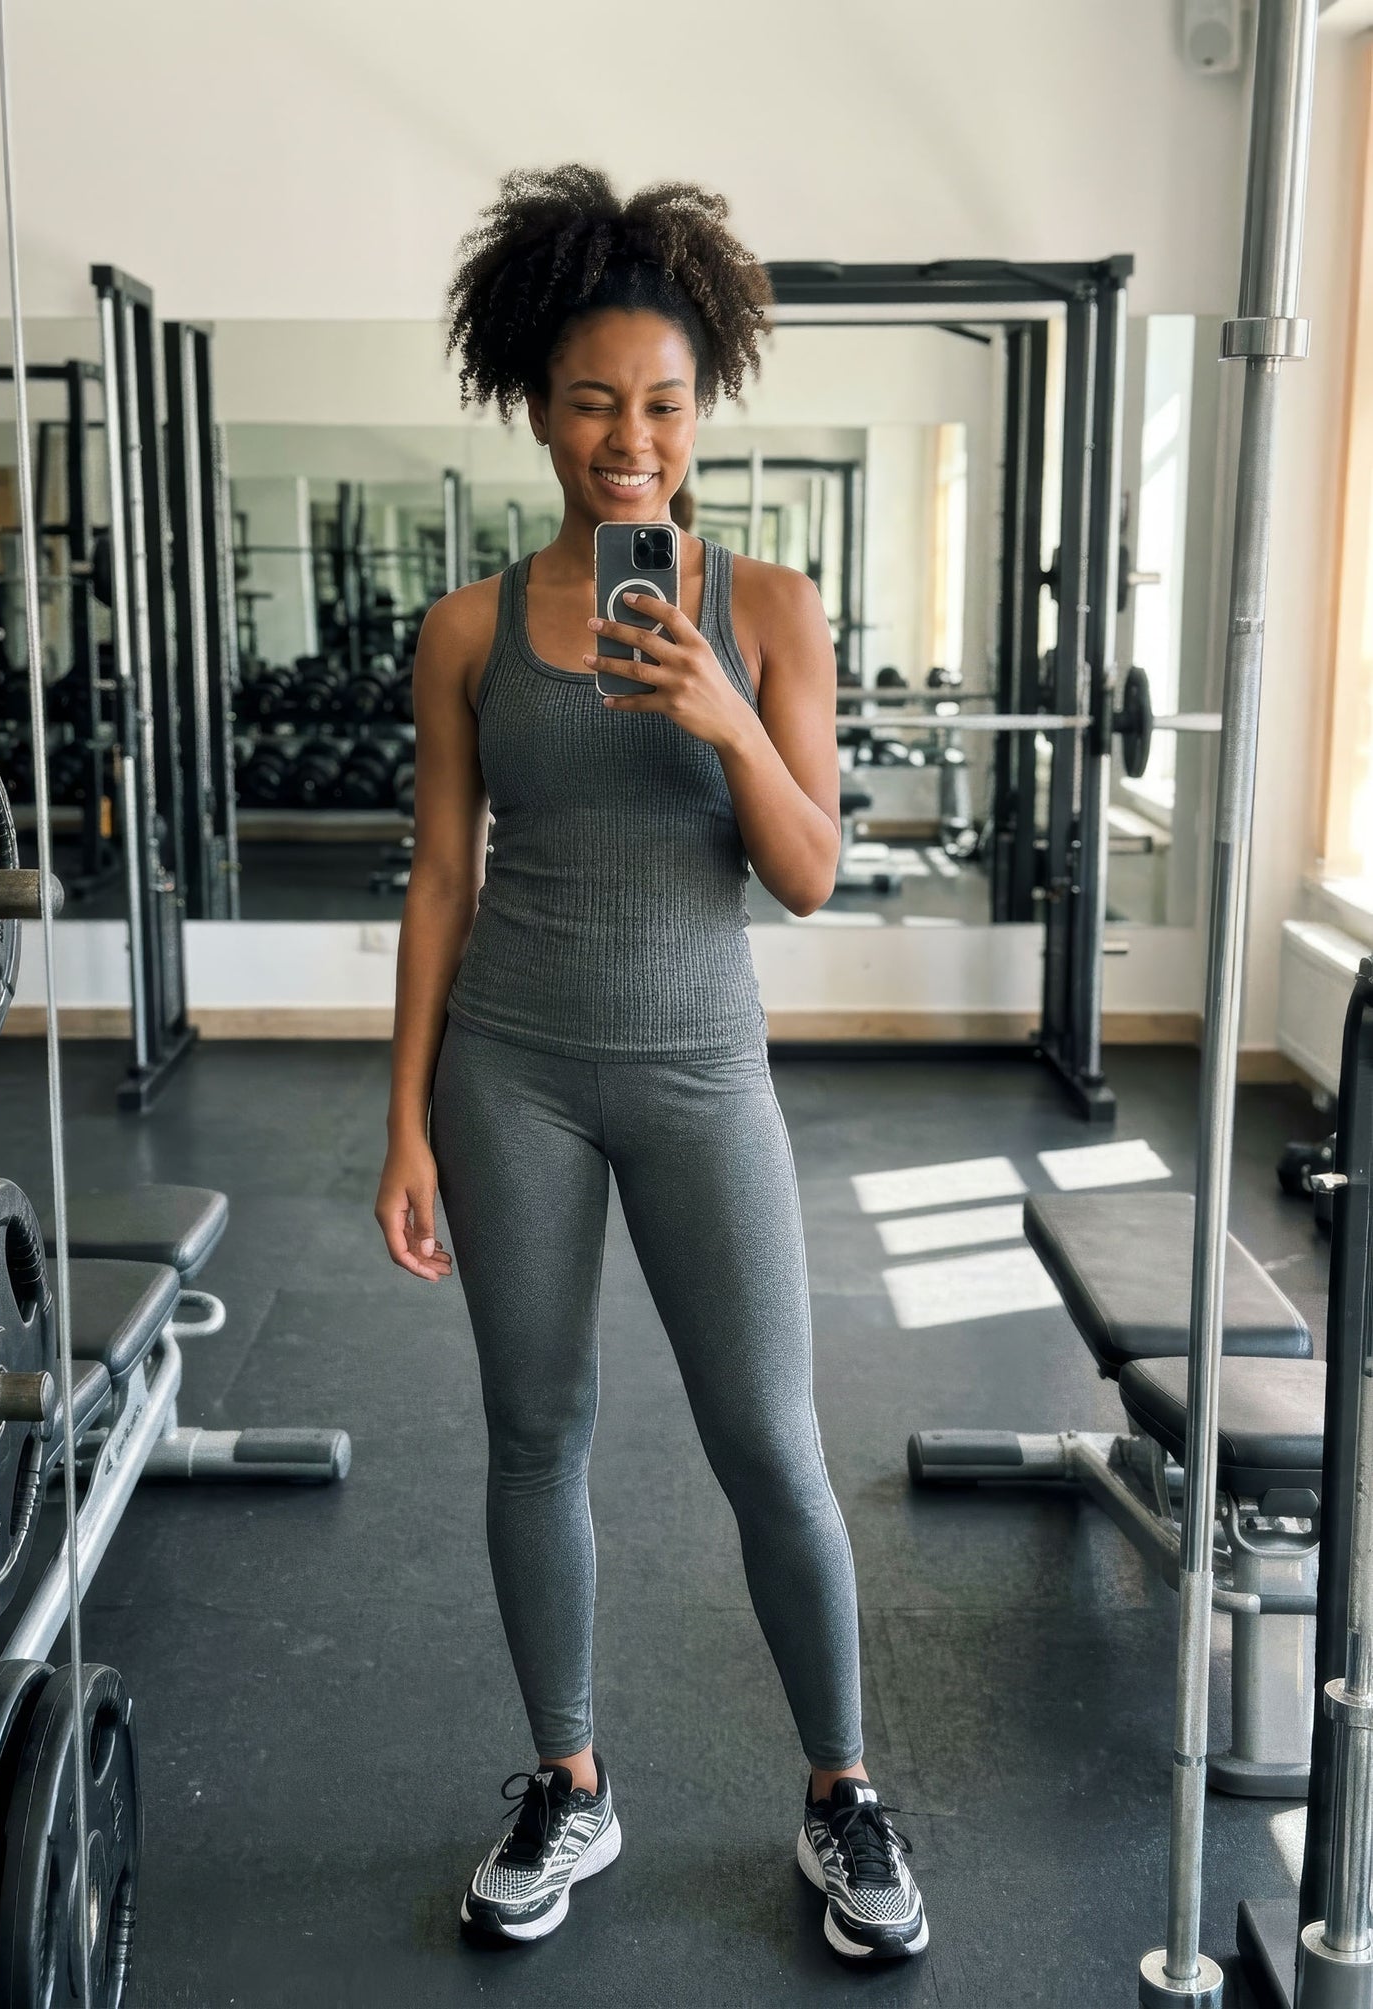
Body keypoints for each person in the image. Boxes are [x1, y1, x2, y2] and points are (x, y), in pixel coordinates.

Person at [375, 164, 927, 1966]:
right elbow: (441, 881)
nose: (633, 441)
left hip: (702, 1070)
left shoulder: (770, 607)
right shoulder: (466, 633)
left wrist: (722, 713)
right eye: (596, 402)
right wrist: (404, 1123)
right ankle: (570, 1781)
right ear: (536, 405)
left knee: (770, 1439)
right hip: (511, 1071)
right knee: (536, 1431)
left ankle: (843, 1789)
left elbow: (810, 870)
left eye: (667, 405)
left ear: (707, 410)